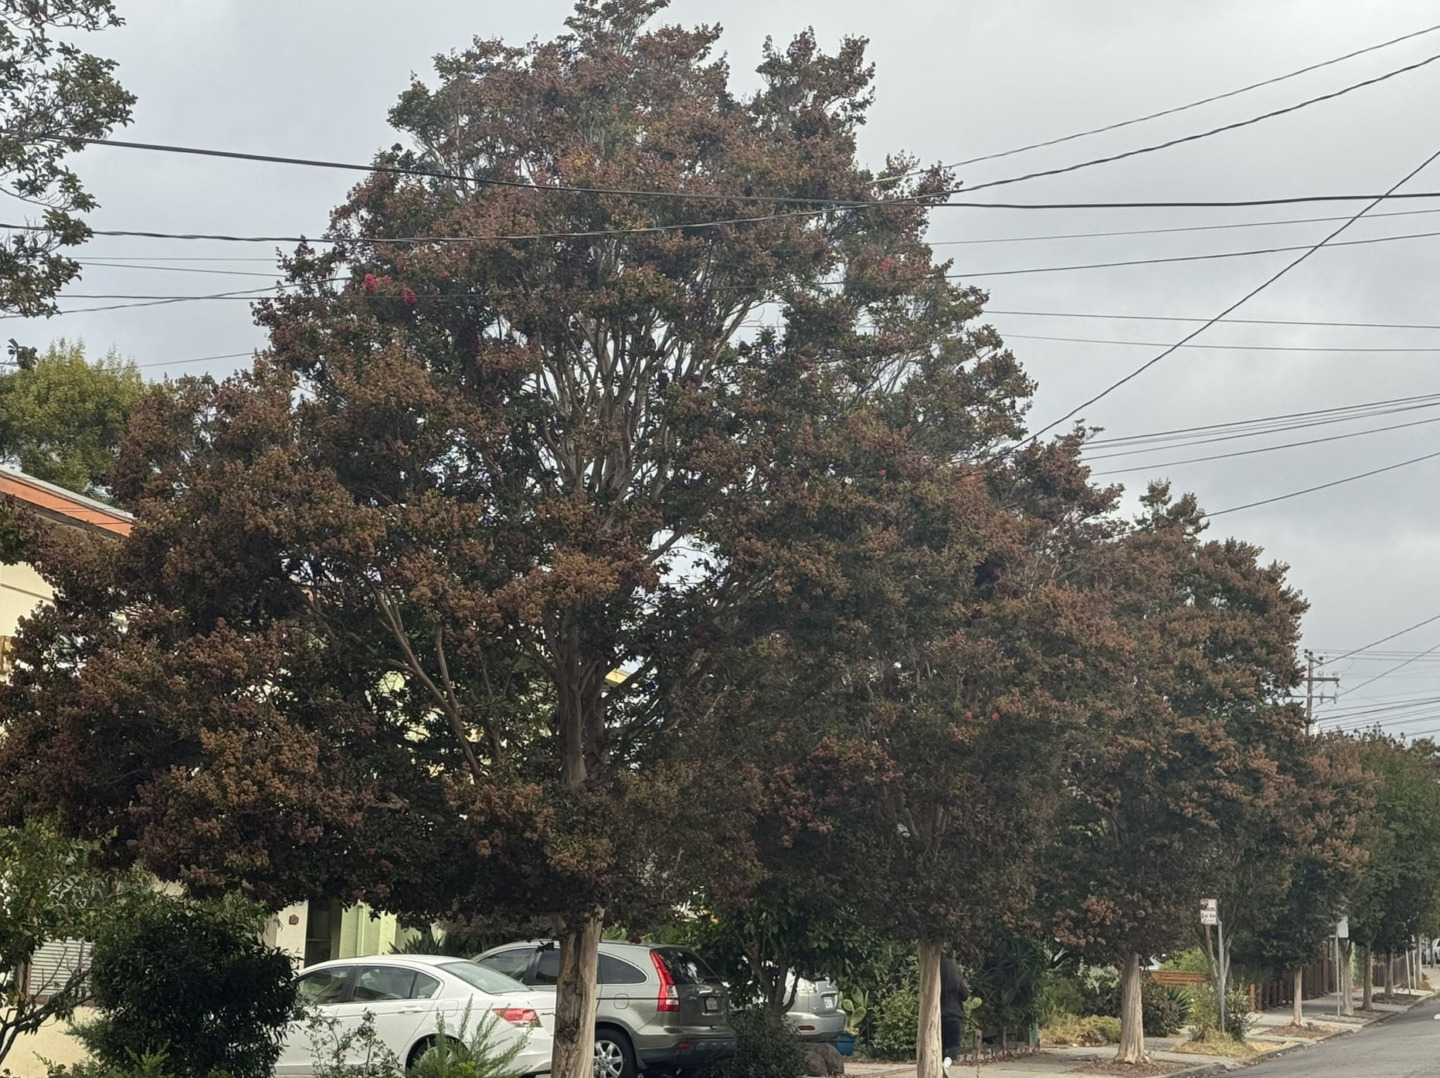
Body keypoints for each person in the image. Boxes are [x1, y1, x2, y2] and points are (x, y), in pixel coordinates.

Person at [940, 954, 969, 1067]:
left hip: (940, 1015)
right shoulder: (957, 979)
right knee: (953, 1045)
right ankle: (947, 1063)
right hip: (954, 1015)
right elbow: (965, 996)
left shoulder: (939, 979)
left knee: (941, 1044)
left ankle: (940, 1065)